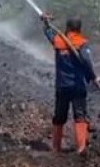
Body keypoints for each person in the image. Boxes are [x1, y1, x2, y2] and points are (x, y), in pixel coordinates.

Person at [41, 14, 96, 155]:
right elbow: (87, 62)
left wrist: (46, 25)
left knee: (59, 116)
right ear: (79, 28)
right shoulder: (82, 42)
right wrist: (91, 76)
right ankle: (81, 147)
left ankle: (56, 148)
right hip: (77, 85)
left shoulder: (59, 40)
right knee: (80, 115)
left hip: (62, 85)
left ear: (68, 27)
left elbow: (49, 35)